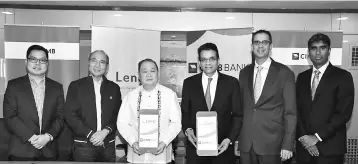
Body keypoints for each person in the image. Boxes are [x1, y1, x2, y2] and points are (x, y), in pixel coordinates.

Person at [238, 30, 297, 164]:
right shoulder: (244, 73)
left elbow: (290, 113)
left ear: (270, 47)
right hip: (247, 144)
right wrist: (238, 140)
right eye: (257, 42)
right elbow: (242, 109)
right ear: (252, 46)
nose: (260, 46)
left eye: (265, 42)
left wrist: (288, 144)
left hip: (272, 143)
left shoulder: (285, 73)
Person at [296, 33, 355, 164]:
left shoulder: (343, 76)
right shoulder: (301, 78)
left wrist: (316, 137)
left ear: (329, 50)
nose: (318, 52)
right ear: (308, 52)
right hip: (304, 148)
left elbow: (343, 113)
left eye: (322, 48)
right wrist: (305, 139)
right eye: (313, 48)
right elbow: (296, 110)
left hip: (330, 149)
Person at [181, 43, 242, 164]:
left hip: (223, 148)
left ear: (218, 61)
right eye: (204, 59)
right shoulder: (189, 83)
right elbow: (185, 112)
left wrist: (230, 139)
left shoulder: (232, 83)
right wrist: (188, 130)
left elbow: (238, 115)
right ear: (199, 63)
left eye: (212, 59)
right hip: (196, 148)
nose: (208, 63)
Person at [3, 45, 65, 161]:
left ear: (47, 64)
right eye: (33, 59)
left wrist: (48, 136)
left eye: (42, 60)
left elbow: (60, 116)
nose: (38, 64)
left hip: (48, 150)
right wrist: (31, 137)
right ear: (26, 62)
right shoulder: (14, 85)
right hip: (21, 150)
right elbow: (10, 116)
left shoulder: (57, 87)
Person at [117, 58, 181, 164]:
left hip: (161, 155)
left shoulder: (169, 95)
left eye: (152, 71)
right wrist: (133, 142)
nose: (149, 74)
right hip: (136, 155)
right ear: (138, 75)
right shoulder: (130, 96)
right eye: (144, 71)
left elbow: (176, 122)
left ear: (157, 73)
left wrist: (164, 142)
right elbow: (122, 123)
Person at [64, 50, 122, 162]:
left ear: (107, 67)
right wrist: (91, 134)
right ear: (88, 63)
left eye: (102, 62)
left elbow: (118, 115)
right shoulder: (76, 86)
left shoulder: (114, 88)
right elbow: (70, 115)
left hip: (107, 145)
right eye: (94, 61)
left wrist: (105, 132)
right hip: (84, 146)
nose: (97, 65)